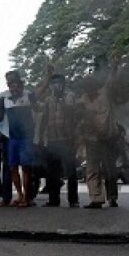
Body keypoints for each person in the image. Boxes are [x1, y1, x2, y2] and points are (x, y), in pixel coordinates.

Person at [77, 70, 121, 209]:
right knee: (92, 169)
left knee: (110, 170)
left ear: (96, 87)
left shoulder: (105, 93)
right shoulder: (83, 100)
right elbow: (77, 115)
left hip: (108, 139)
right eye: (86, 87)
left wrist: (114, 66)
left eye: (91, 86)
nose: (89, 90)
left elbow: (111, 80)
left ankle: (112, 198)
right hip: (92, 139)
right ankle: (96, 199)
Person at [35, 68, 79, 207]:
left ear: (63, 84)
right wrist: (41, 137)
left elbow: (72, 113)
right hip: (53, 140)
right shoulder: (48, 99)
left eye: (58, 82)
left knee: (71, 170)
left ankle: (73, 200)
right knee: (52, 172)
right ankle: (54, 200)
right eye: (53, 83)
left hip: (67, 139)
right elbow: (45, 118)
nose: (56, 85)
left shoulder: (69, 96)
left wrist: (61, 99)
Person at [0, 70, 37, 207]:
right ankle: (19, 195)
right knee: (13, 167)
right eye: (11, 85)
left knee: (26, 168)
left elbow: (40, 92)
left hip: (25, 137)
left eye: (16, 85)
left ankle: (26, 197)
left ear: (21, 86)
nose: (14, 88)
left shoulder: (28, 96)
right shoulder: (4, 99)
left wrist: (48, 77)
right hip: (12, 138)